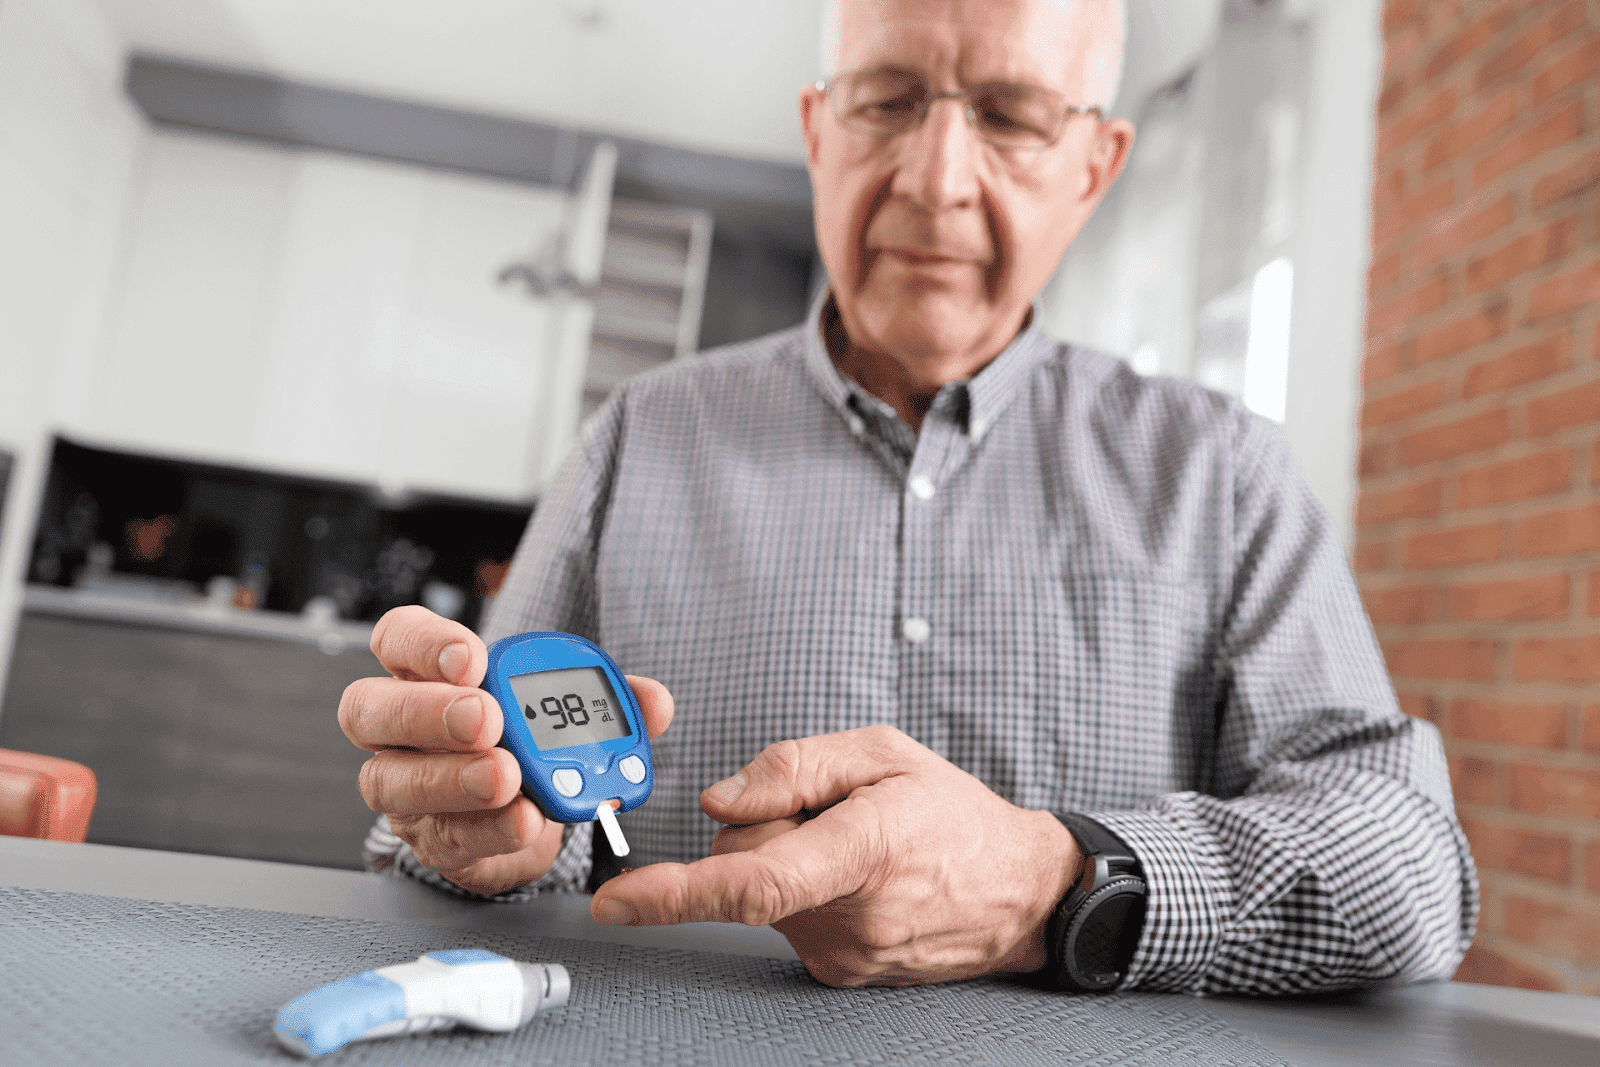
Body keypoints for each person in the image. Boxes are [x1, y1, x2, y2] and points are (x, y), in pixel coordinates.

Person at [341, 0, 1476, 995]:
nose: (936, 179)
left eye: (1012, 114)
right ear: (816, 131)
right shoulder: (640, 434)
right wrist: (473, 835)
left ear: (1094, 166)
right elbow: (482, 826)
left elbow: (1413, 868)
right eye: (886, 100)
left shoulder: (1224, 473)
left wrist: (1054, 882)